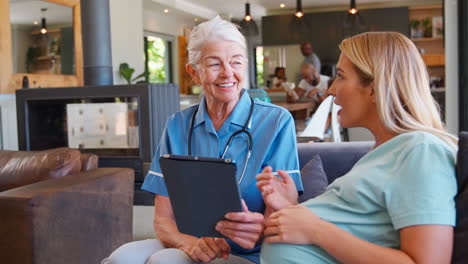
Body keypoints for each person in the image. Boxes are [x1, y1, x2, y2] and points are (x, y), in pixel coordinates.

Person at [101, 16, 303, 264]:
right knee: (121, 259)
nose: (228, 73)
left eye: (236, 62)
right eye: (214, 64)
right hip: (187, 240)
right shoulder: (177, 125)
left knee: (164, 261)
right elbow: (162, 221)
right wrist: (191, 244)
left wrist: (250, 231)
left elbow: (279, 221)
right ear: (193, 73)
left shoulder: (276, 122)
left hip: (247, 251)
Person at [257, 31, 458, 263]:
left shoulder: (421, 150)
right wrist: (291, 208)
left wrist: (316, 230)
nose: (331, 90)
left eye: (341, 77)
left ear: (374, 88)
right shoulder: (383, 153)